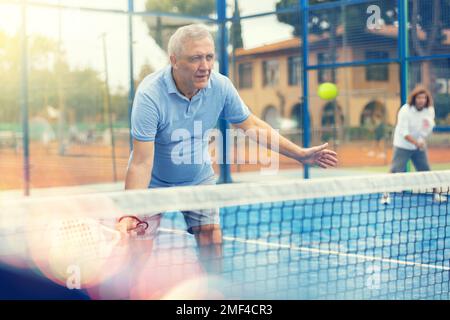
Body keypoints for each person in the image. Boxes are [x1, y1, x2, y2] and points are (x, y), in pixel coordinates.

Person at [118, 24, 338, 273]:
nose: (205, 66)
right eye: (195, 58)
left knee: (211, 239)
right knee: (137, 252)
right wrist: (131, 212)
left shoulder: (220, 87)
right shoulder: (150, 95)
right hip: (152, 184)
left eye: (209, 56)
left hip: (197, 179)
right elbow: (141, 162)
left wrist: (299, 153)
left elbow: (252, 125)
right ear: (174, 61)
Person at [381, 87, 446, 204]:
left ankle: (437, 194)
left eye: (424, 98)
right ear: (414, 98)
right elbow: (404, 132)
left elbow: (428, 127)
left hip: (418, 145)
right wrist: (417, 143)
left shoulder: (429, 110)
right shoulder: (405, 110)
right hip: (402, 145)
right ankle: (385, 196)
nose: (422, 100)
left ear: (427, 100)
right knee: (394, 171)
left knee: (426, 171)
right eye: (419, 97)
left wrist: (421, 140)